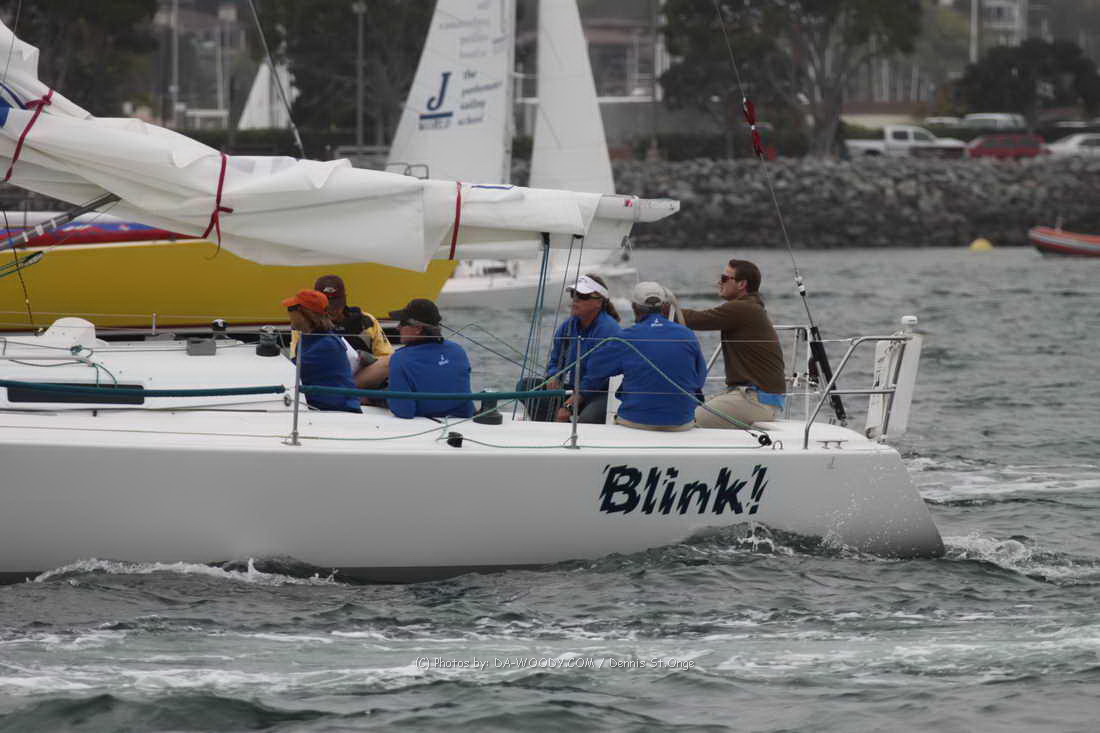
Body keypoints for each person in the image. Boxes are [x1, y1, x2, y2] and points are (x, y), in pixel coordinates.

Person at [585, 282, 706, 431]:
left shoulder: (626, 338)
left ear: (634, 307)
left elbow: (594, 369)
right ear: (663, 307)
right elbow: (700, 377)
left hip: (636, 422)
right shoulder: (687, 335)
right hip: (682, 423)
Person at [681, 259, 785, 427]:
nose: (719, 282)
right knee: (687, 411)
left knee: (684, 419)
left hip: (755, 400)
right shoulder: (751, 307)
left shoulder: (743, 308)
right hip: (753, 397)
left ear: (741, 284)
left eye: (724, 278)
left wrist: (665, 309)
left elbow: (698, 319)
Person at [541, 273, 622, 423]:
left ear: (599, 302)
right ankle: (549, 425)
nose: (575, 299)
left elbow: (595, 379)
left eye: (583, 296)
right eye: (573, 294)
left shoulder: (608, 330)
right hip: (575, 389)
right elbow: (555, 360)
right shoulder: (568, 325)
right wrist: (553, 376)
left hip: (600, 393)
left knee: (587, 419)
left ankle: (561, 420)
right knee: (525, 386)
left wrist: (568, 406)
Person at [386, 297, 474, 420]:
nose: (397, 327)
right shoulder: (458, 351)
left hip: (423, 428)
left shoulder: (400, 359)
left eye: (402, 323)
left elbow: (403, 411)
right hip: (463, 421)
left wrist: (379, 400)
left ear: (418, 329)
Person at [281, 289, 361, 413]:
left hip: (339, 412)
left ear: (306, 314)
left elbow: (291, 372)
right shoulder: (307, 338)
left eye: (291, 309)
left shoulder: (327, 345)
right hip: (320, 407)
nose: (288, 313)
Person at [313, 274, 393, 390]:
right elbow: (297, 360)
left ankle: (348, 392)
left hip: (360, 378)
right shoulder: (306, 323)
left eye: (336, 304)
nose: (332, 310)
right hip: (325, 379)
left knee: (392, 361)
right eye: (326, 305)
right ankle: (348, 393)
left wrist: (370, 359)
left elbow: (386, 356)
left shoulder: (366, 320)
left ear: (345, 299)